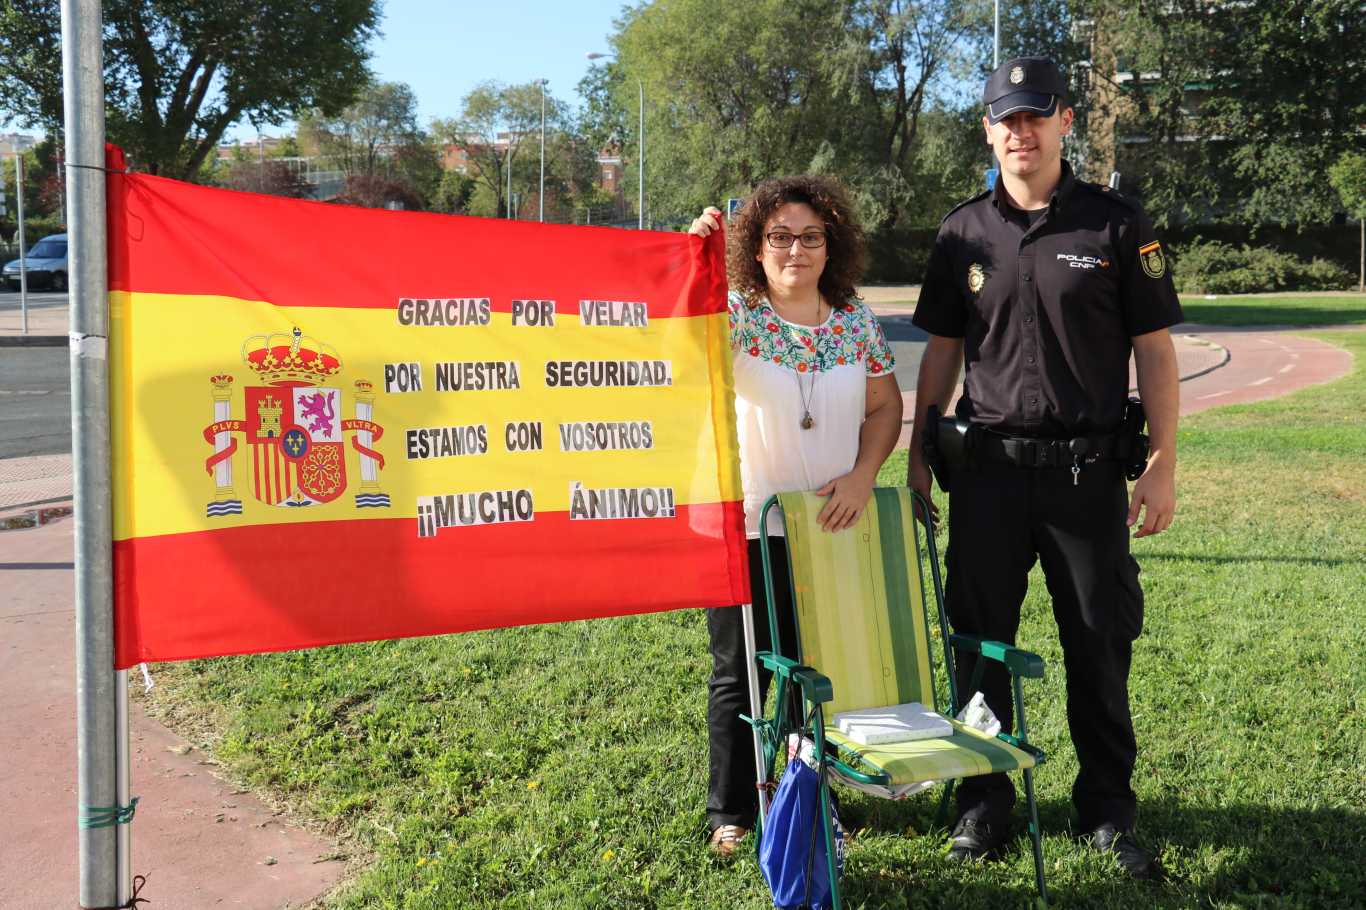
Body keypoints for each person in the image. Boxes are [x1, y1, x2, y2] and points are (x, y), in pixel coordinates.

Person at [907, 57, 1181, 880]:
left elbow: (1156, 355)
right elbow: (943, 354)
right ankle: (981, 807)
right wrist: (920, 459)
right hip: (987, 474)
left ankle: (1106, 811)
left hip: (1086, 479)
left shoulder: (1117, 224)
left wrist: (1162, 462)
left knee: (1098, 644)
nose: (1020, 133)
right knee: (979, 645)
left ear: (1064, 121)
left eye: (1035, 116)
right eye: (1005, 119)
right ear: (987, 130)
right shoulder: (961, 233)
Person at [689, 175, 903, 856]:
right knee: (743, 674)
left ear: (830, 245)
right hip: (750, 530)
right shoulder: (737, 316)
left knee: (821, 669)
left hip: (831, 534)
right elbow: (679, 339)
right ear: (757, 246)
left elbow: (885, 408)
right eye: (779, 236)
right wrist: (697, 259)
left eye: (811, 236)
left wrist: (864, 476)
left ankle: (812, 793)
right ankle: (734, 812)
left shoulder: (856, 322)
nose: (795, 250)